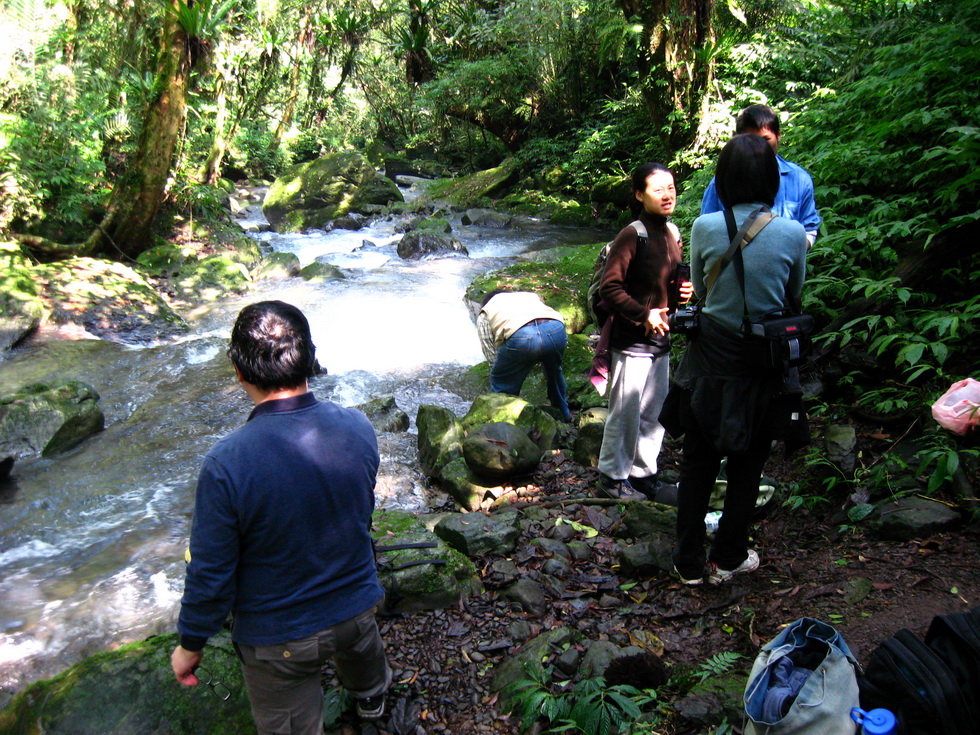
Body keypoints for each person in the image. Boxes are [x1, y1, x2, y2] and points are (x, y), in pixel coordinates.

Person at [170, 300, 390, 733]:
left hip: (281, 638)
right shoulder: (358, 426)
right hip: (359, 605)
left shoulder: (226, 462)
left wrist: (190, 645)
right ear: (309, 357)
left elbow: (211, 574)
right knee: (363, 652)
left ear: (239, 372)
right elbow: (359, 509)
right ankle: (372, 698)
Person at [668, 134, 807, 585]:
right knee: (749, 463)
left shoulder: (705, 227)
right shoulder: (791, 234)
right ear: (772, 178)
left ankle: (688, 562)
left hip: (711, 359)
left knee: (698, 460)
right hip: (763, 362)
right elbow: (793, 296)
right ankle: (729, 555)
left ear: (723, 179)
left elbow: (703, 296)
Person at [595, 163, 693, 502]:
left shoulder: (673, 233)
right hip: (632, 338)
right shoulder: (632, 234)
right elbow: (610, 287)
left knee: (654, 411)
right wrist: (643, 313)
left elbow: (667, 282)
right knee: (625, 412)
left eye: (671, 188)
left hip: (661, 338)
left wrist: (683, 294)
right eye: (658, 189)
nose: (667, 195)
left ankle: (643, 473)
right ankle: (611, 476)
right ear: (639, 194)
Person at [701, 104, 821, 247]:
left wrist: (791, 251)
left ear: (778, 136)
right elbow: (707, 232)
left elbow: (809, 229)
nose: (759, 147)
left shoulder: (799, 180)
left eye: (765, 139)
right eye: (752, 139)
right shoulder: (722, 183)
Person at [477, 290, 572, 422]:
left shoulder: (486, 312)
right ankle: (564, 413)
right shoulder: (527, 296)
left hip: (522, 337)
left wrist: (501, 370)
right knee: (554, 370)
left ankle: (505, 424)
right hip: (555, 328)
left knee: (501, 381)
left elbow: (491, 353)